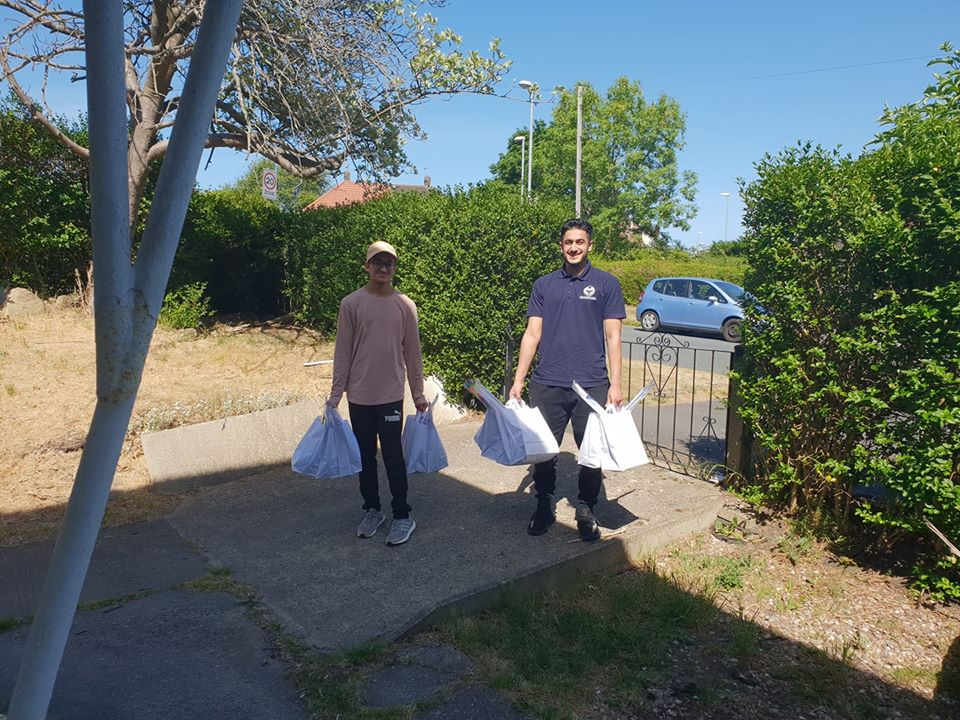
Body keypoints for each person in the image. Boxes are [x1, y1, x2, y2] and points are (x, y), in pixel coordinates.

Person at [509, 218, 625, 541]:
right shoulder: (544, 285)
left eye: (580, 242)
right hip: (549, 381)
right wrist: (519, 379)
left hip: (592, 384)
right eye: (568, 242)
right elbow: (532, 334)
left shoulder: (607, 284)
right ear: (561, 246)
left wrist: (616, 384)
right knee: (544, 450)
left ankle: (586, 507)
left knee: (592, 452)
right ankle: (544, 504)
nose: (574, 248)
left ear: (590, 246)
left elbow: (614, 337)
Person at [328, 240, 429, 546]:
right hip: (359, 395)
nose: (384, 268)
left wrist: (418, 393)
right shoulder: (351, 304)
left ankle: (402, 515)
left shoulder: (405, 305)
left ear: (395, 268)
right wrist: (335, 395)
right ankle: (372, 510)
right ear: (367, 267)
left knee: (394, 455)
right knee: (365, 457)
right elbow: (342, 352)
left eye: (389, 263)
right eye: (378, 263)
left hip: (390, 395)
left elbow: (413, 354)